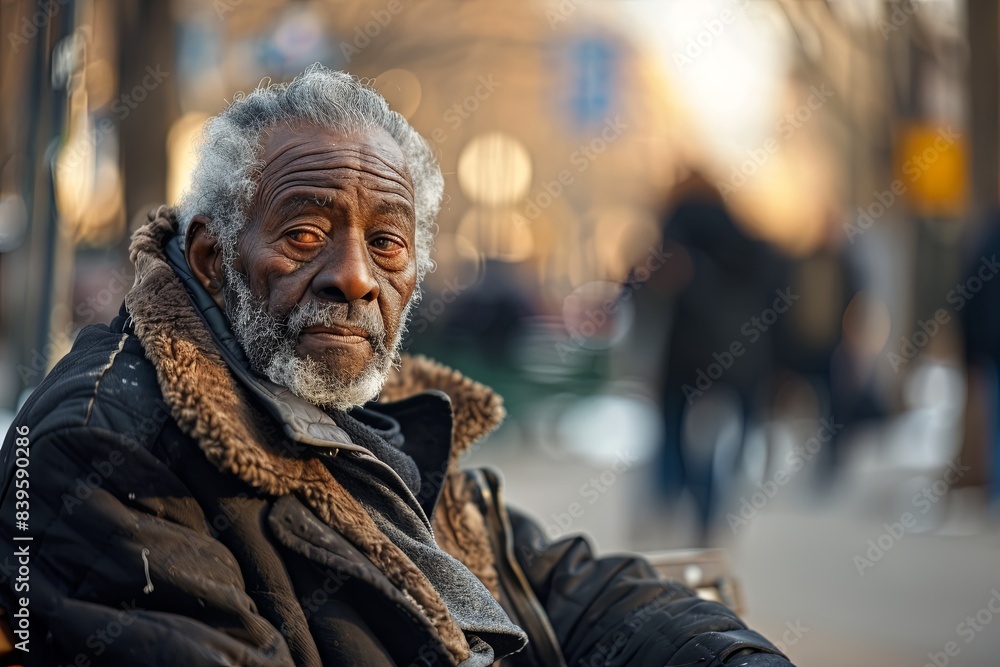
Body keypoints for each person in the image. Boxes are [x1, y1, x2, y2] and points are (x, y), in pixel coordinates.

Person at [0, 65, 794, 666]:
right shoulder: (103, 445)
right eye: (306, 233)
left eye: (386, 242)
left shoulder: (357, 411)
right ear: (211, 257)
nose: (356, 276)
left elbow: (549, 585)